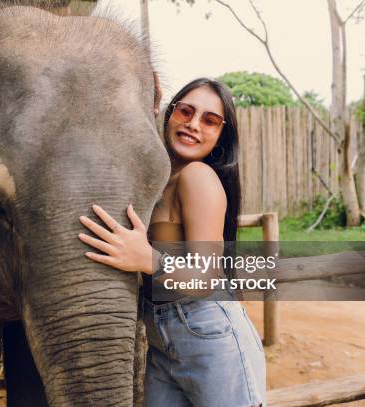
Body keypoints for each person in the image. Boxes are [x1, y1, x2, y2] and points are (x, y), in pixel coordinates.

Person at [77, 78, 267, 406]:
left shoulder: (197, 176)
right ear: (169, 114)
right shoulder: (159, 181)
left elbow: (207, 276)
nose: (193, 125)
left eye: (209, 121)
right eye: (186, 112)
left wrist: (148, 259)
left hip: (207, 333)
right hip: (162, 339)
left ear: (221, 137)